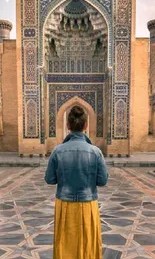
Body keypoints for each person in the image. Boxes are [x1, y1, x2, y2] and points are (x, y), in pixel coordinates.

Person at [45, 105, 108, 259]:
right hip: (88, 205)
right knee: (87, 245)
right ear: (86, 125)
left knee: (65, 244)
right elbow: (102, 181)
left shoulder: (57, 151)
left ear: (68, 126)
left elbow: (50, 179)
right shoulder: (95, 151)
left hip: (64, 205)